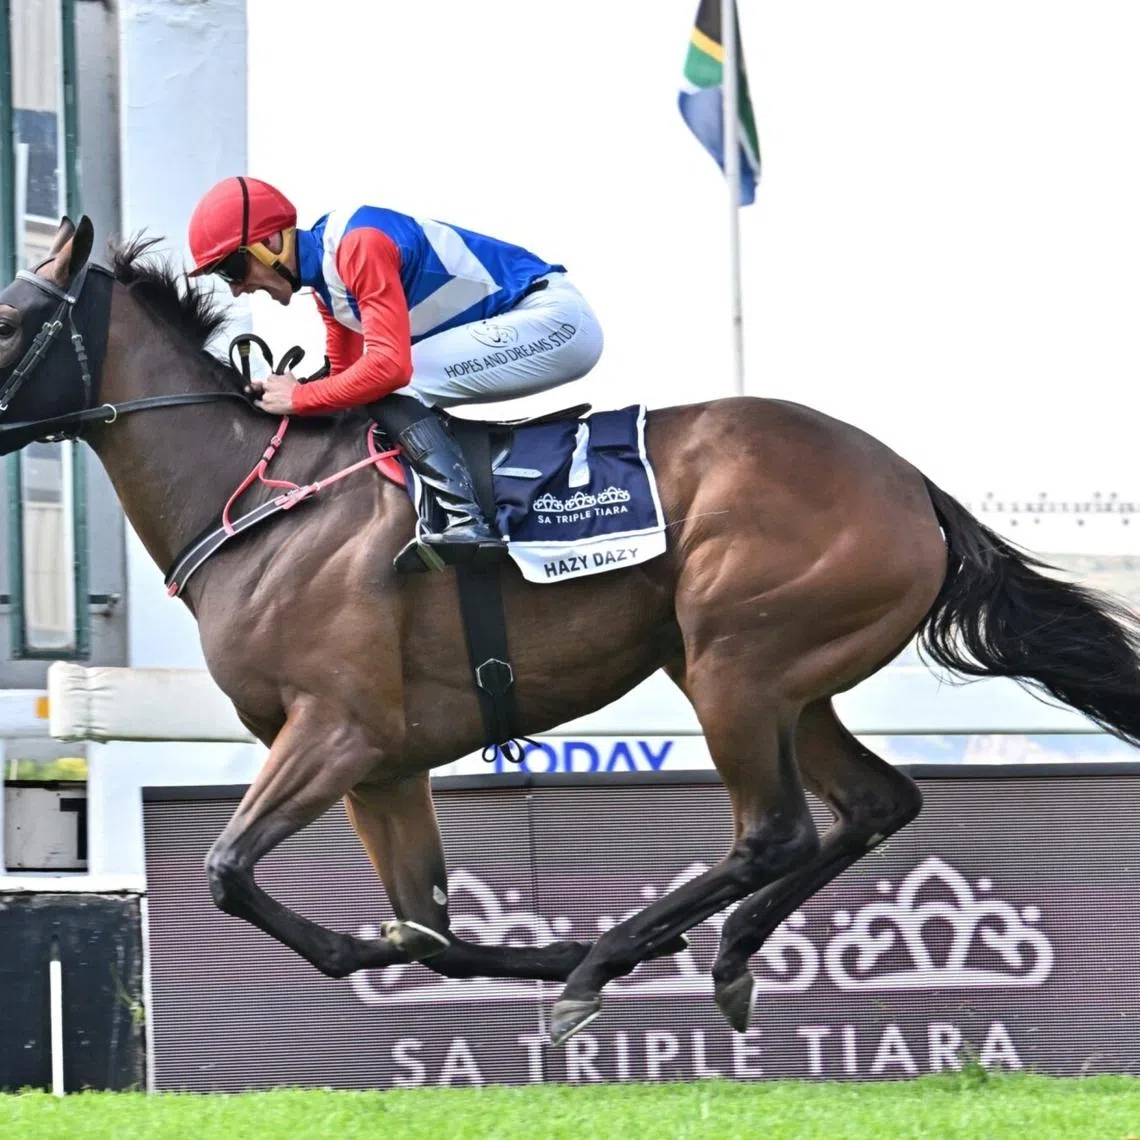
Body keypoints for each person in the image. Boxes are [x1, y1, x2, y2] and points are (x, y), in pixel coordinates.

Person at [186, 176, 603, 567]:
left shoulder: (358, 246)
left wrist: (298, 397)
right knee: (376, 388)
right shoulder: (328, 290)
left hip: (556, 322)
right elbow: (344, 382)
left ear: (271, 242)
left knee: (395, 381)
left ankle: (467, 523)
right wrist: (278, 398)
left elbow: (388, 370)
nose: (236, 288)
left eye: (231, 270)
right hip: (528, 322)